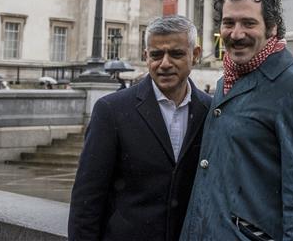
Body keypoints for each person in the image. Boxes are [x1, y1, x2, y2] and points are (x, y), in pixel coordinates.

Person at [178, 0, 293, 241]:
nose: (236, 34)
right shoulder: (226, 80)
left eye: (249, 23)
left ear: (272, 28)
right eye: (229, 23)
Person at [68, 15, 211, 241]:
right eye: (156, 55)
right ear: (146, 57)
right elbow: (87, 199)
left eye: (176, 54)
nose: (165, 63)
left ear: (195, 54)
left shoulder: (210, 111)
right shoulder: (111, 110)